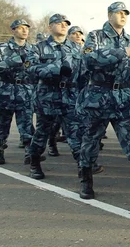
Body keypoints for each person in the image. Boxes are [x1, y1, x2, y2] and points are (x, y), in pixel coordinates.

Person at [77, 2, 130, 199]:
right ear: (109, 15)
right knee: (92, 139)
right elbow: (89, 59)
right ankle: (86, 179)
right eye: (119, 13)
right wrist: (119, 53)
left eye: (126, 13)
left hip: (123, 96)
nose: (123, 16)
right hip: (99, 95)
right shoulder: (96, 36)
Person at [27, 14, 88, 178]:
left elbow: (83, 73)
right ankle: (34, 163)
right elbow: (32, 69)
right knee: (42, 133)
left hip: (70, 96)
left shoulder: (76, 48)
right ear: (50, 27)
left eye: (66, 24)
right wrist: (55, 70)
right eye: (59, 23)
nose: (63, 26)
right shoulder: (38, 48)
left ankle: (84, 176)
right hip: (47, 96)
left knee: (75, 135)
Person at [0, 19, 37, 165]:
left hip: (25, 91)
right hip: (4, 91)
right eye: (21, 28)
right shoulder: (0, 48)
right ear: (13, 30)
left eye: (26, 28)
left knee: (27, 125)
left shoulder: (33, 49)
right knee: (0, 126)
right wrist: (14, 61)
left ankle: (30, 153)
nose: (24, 31)